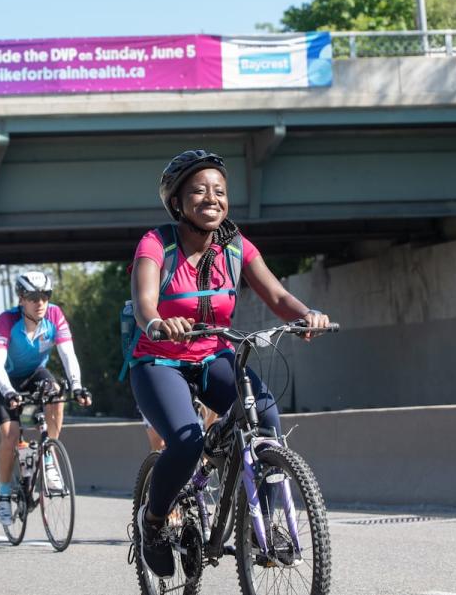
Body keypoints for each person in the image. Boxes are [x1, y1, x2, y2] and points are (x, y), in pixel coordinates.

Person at [130, 149, 331, 577]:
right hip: (158, 362)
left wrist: (305, 314)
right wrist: (159, 324)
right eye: (198, 191)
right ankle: (152, 522)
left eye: (219, 191)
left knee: (266, 415)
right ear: (177, 203)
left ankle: (272, 524)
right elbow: (145, 300)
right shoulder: (156, 243)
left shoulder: (236, 246)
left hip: (214, 355)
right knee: (186, 440)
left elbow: (277, 297)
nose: (211, 199)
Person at [0, 270, 92, 526]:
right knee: (11, 435)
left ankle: (48, 458)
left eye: (46, 295)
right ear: (21, 298)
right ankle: (3, 493)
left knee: (57, 392)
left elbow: (68, 354)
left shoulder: (54, 315)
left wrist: (77, 386)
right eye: (33, 296)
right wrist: (9, 392)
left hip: (35, 372)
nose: (41, 302)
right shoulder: (6, 321)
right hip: (5, 379)